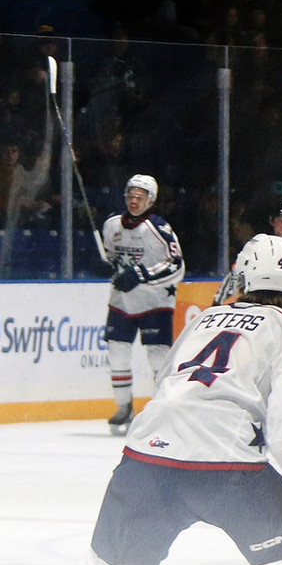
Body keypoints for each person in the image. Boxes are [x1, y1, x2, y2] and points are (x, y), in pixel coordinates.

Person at [46, 234, 282, 565]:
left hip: (147, 459)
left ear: (244, 276)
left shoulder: (206, 318)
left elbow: (165, 381)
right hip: (225, 468)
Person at [102, 174, 185, 434]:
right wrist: (107, 266)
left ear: (151, 200)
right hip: (122, 302)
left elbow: (177, 267)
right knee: (117, 351)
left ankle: (163, 408)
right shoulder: (112, 225)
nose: (134, 200)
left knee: (158, 356)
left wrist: (141, 275)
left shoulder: (159, 229)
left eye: (140, 196)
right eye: (131, 195)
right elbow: (110, 257)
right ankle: (123, 406)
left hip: (155, 302)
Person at [214, 201, 282, 308]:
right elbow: (235, 274)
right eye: (279, 221)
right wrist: (217, 302)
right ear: (272, 221)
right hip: (257, 303)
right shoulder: (259, 243)